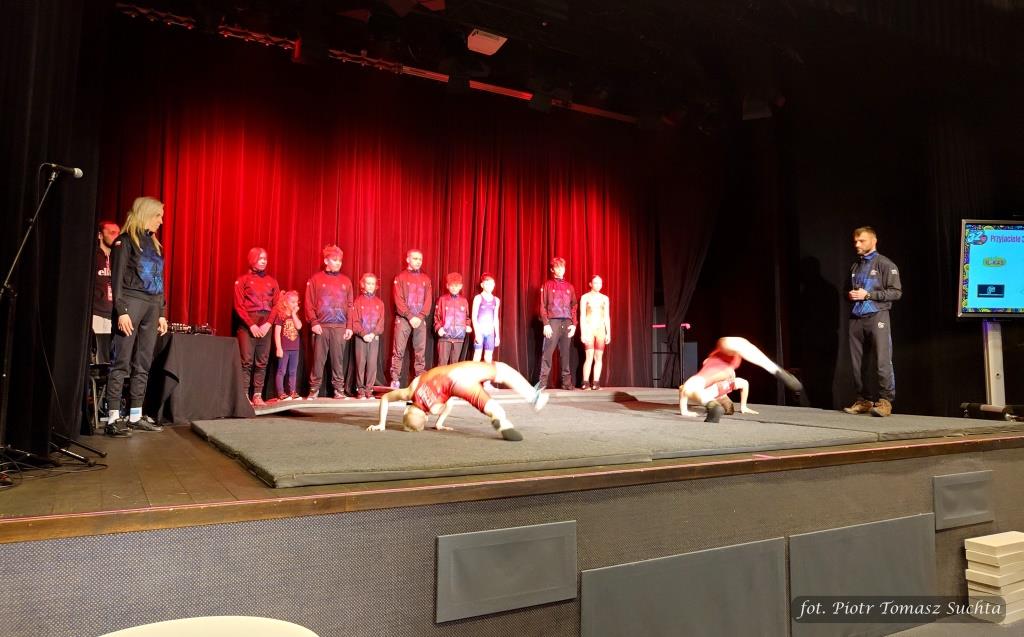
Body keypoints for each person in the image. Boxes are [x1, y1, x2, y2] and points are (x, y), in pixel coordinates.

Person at [104, 197, 168, 436]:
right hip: (131, 302)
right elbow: (116, 279)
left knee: (143, 362)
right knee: (121, 361)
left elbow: (159, 279)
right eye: (158, 216)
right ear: (146, 214)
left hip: (152, 305)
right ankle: (112, 418)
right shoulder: (125, 241)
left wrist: (161, 312)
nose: (161, 221)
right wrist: (121, 311)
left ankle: (135, 415)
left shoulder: (154, 244)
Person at [369, 361, 548, 441]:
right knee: (502, 370)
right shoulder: (411, 389)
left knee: (490, 407)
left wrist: (439, 422)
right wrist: (381, 423)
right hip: (458, 371)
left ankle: (500, 418)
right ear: (406, 410)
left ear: (425, 418)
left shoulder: (434, 408)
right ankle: (533, 397)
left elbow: (448, 404)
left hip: (459, 385)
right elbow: (385, 398)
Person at [844, 226, 902, 417]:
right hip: (856, 317)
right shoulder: (855, 266)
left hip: (877, 315)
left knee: (882, 360)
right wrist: (850, 295)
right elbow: (847, 291)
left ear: (873, 241)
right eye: (855, 241)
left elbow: (896, 292)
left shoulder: (885, 264)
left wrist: (869, 295)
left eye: (861, 241)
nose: (857, 244)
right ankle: (864, 400)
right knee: (857, 363)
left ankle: (885, 401)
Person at [679, 337, 804, 423]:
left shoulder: (722, 390)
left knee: (689, 388)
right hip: (724, 367)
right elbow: (744, 384)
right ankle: (773, 368)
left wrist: (685, 410)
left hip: (720, 370)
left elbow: (744, 384)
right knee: (740, 345)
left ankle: (710, 405)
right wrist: (743, 406)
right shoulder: (726, 388)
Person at [305, 244, 354, 399]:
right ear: (326, 261)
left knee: (338, 360)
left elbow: (350, 305)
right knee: (318, 360)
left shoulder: (346, 281)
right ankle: (314, 389)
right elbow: (308, 303)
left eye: (340, 260)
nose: (338, 263)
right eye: (334, 260)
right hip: (322, 326)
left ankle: (338, 390)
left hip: (339, 327)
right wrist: (314, 322)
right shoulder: (316, 279)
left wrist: (349, 326)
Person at [233, 247, 280, 406]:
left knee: (262, 361)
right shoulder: (243, 280)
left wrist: (268, 323)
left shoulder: (272, 281)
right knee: (246, 361)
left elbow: (277, 304)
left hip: (266, 322)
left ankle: (258, 395)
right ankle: (244, 395)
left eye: (265, 258)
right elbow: (239, 306)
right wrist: (251, 325)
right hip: (248, 323)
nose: (263, 261)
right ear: (252, 259)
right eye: (260, 258)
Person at [389, 248, 432, 388]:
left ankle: (419, 380)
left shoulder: (426, 279)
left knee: (420, 351)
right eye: (415, 258)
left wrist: (420, 316)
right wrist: (409, 316)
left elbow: (428, 300)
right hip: (403, 319)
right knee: (398, 350)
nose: (418, 261)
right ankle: (395, 379)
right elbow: (398, 299)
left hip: (420, 320)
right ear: (408, 259)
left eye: (420, 259)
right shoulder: (400, 277)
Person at [538, 257, 578, 390]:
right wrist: (546, 323)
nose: (560, 270)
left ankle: (566, 383)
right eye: (557, 267)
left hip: (566, 322)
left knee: (565, 354)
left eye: (562, 267)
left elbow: (574, 305)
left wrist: (574, 324)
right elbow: (542, 305)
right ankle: (542, 383)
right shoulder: (547, 285)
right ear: (552, 269)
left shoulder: (569, 286)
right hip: (552, 322)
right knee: (547, 353)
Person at [351, 273, 386, 399]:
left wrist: (373, 333)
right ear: (363, 284)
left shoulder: (379, 303)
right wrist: (363, 334)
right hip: (361, 338)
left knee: (372, 364)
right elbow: (354, 321)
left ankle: (369, 389)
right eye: (368, 283)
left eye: (373, 284)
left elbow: (381, 322)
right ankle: (360, 390)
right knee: (360, 364)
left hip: (374, 338)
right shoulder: (357, 301)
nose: (370, 286)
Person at [91, 219, 120, 363]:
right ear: (100, 235)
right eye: (112, 232)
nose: (116, 236)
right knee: (96, 357)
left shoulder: (119, 258)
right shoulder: (94, 257)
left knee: (110, 359)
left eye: (118, 233)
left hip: (113, 315)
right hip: (96, 313)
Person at [579, 275, 611, 390]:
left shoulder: (605, 298)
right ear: (590, 284)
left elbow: (607, 316)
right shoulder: (585, 297)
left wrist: (608, 333)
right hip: (589, 329)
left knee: (598, 357)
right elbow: (582, 316)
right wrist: (583, 332)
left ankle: (596, 382)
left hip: (601, 330)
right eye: (596, 283)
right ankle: (585, 382)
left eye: (600, 283)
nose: (598, 285)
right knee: (589, 356)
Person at [434, 272, 471, 366]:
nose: (454, 288)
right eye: (452, 286)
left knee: (455, 365)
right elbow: (436, 316)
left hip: (459, 338)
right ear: (447, 286)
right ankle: (441, 377)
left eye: (456, 285)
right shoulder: (442, 299)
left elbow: (467, 317)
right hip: (445, 337)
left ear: (461, 286)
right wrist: (439, 328)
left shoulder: (464, 301)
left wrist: (467, 325)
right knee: (442, 364)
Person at [273, 290, 302, 401]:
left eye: (296, 302)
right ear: (285, 303)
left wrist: (294, 314)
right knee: (282, 371)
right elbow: (277, 333)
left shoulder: (295, 316)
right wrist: (279, 348)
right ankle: (281, 393)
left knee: (293, 371)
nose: (295, 304)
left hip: (295, 349)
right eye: (293, 302)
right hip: (284, 349)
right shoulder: (281, 316)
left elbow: (299, 326)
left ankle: (292, 392)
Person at [471, 273, 501, 364]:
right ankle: (475, 373)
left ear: (494, 285)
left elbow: (495, 318)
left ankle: (487, 374)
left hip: (490, 332)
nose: (489, 286)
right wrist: (477, 333)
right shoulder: (478, 298)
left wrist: (497, 336)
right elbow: (474, 317)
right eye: (487, 284)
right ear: (482, 285)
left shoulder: (496, 300)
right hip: (480, 331)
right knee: (477, 355)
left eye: (491, 284)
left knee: (488, 357)